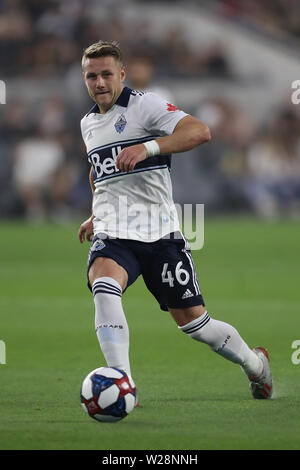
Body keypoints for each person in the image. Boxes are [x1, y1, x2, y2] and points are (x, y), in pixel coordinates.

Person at [78, 40, 273, 401]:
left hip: (160, 235)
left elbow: (200, 131)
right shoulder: (88, 122)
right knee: (103, 286)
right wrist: (95, 213)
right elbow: (98, 171)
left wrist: (148, 147)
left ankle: (255, 364)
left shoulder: (145, 106)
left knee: (197, 326)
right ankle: (123, 383)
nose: (100, 82)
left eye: (106, 74)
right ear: (85, 78)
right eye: (92, 76)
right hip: (115, 233)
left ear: (122, 73)